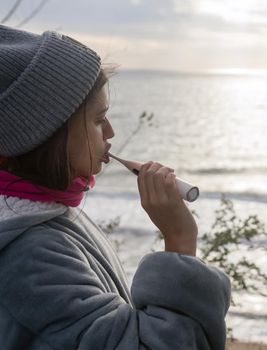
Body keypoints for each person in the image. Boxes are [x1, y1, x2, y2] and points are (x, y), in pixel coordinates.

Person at [0, 24, 231, 349]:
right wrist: (180, 241)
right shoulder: (28, 254)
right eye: (97, 120)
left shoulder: (47, 212)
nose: (110, 132)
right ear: (45, 134)